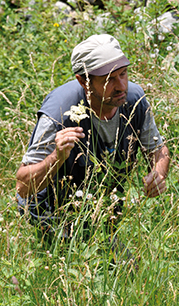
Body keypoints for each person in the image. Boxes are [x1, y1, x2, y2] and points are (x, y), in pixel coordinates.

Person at [16, 34, 169, 228]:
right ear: (83, 81)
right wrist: (57, 156)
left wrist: (158, 173)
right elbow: (23, 187)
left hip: (102, 211)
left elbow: (157, 149)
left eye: (123, 74)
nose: (121, 86)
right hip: (50, 215)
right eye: (109, 79)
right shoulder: (59, 114)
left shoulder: (135, 100)